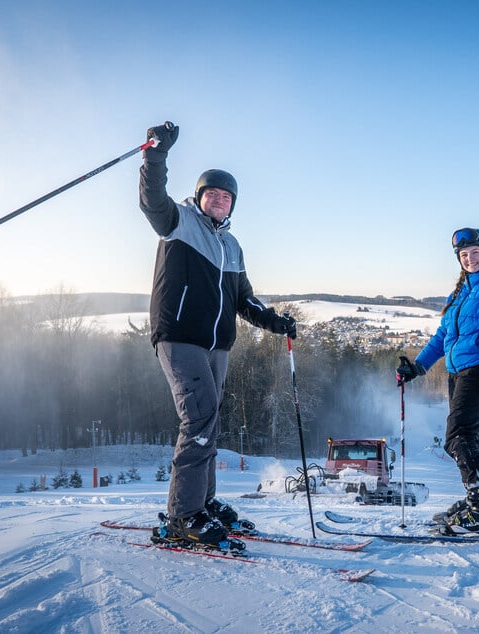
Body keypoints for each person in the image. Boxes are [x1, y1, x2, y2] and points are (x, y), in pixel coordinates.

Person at [140, 122, 297, 547]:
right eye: (212, 193)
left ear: (232, 206)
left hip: (216, 347)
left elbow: (245, 300)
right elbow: (152, 202)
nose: (219, 200)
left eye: (226, 197)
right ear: (200, 196)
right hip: (179, 337)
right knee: (198, 420)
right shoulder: (180, 223)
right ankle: (183, 515)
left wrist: (275, 322)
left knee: (210, 422)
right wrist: (156, 156)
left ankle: (203, 503)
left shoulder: (233, 247)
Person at [397, 228, 479, 536]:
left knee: (457, 436)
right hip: (457, 371)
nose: (469, 259)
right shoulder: (458, 294)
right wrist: (418, 367)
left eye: (474, 253)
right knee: (467, 436)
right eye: (463, 255)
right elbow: (443, 337)